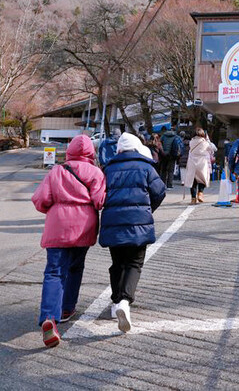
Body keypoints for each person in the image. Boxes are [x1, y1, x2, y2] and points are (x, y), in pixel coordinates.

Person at [32, 134, 106, 348]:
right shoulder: (95, 172)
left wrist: (55, 209)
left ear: (70, 151)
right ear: (91, 153)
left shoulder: (57, 171)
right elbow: (99, 201)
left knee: (54, 271)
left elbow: (40, 200)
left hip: (58, 226)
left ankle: (49, 317)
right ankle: (67, 308)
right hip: (84, 226)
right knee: (75, 267)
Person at [99, 132, 166, 333]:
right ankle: (125, 302)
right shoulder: (146, 166)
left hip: (113, 222)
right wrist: (147, 209)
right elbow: (160, 192)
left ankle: (116, 302)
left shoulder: (108, 168)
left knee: (117, 263)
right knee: (134, 263)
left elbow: (99, 194)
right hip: (139, 223)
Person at [183, 128, 216, 204]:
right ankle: (200, 193)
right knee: (202, 179)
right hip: (202, 163)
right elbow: (214, 149)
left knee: (193, 181)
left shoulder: (191, 142)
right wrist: (208, 141)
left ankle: (193, 199)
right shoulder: (205, 143)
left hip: (192, 163)